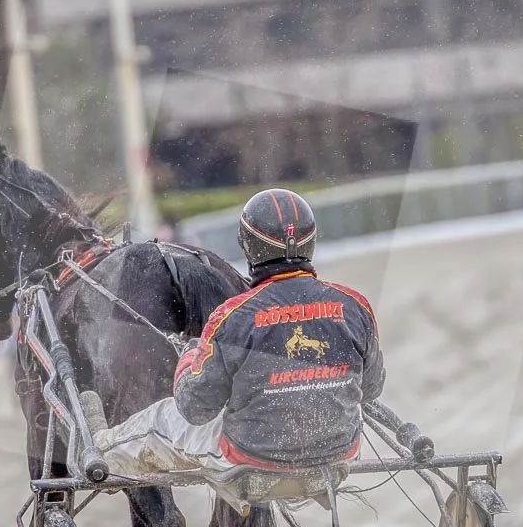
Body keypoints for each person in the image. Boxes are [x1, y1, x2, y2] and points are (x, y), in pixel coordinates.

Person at [84, 188, 384, 479]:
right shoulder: (355, 306)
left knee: (159, 419)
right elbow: (370, 388)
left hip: (252, 457)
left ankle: (100, 448)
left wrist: (190, 355)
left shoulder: (232, 317)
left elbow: (195, 409)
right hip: (340, 450)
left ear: (249, 246)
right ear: (311, 241)